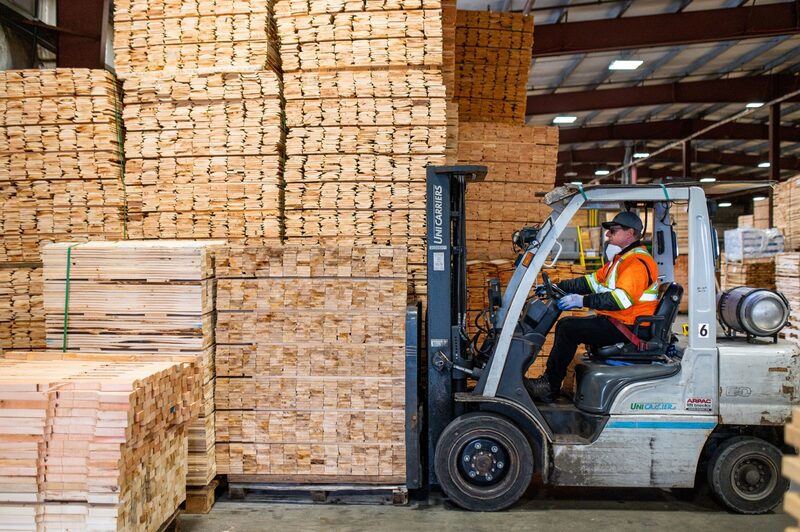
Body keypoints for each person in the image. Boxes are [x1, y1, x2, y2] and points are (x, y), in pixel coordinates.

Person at [525, 211, 660, 402]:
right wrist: (557, 286)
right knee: (568, 325)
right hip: (619, 321)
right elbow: (590, 282)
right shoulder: (620, 260)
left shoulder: (636, 263)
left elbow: (621, 300)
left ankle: (549, 386)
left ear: (630, 233)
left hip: (629, 326)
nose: (608, 234)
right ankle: (550, 383)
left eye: (613, 230)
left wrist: (582, 301)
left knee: (568, 328)